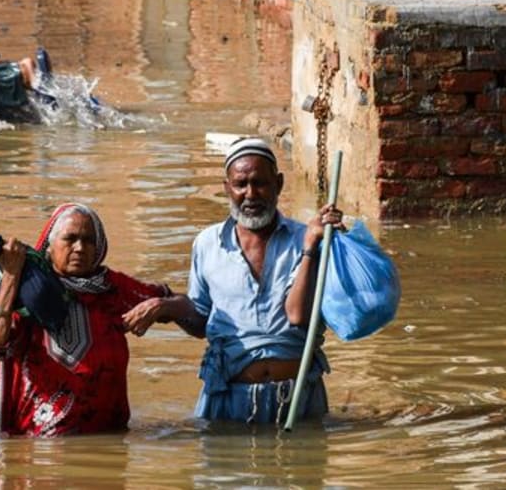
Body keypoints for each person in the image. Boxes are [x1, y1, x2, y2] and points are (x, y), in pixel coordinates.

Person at [124, 138, 343, 424]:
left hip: (299, 399)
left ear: (278, 184)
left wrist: (317, 244)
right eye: (240, 185)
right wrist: (168, 307)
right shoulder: (206, 244)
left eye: (260, 183)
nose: (250, 194)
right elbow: (202, 322)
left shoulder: (309, 238)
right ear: (227, 187)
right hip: (228, 402)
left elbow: (300, 316)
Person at [0, 203, 174, 436]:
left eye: (88, 240)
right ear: (50, 247)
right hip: (41, 448)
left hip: (110, 439)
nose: (80, 248)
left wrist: (161, 305)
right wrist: (11, 278)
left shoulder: (112, 289)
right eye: (70, 239)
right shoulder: (29, 294)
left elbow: (182, 306)